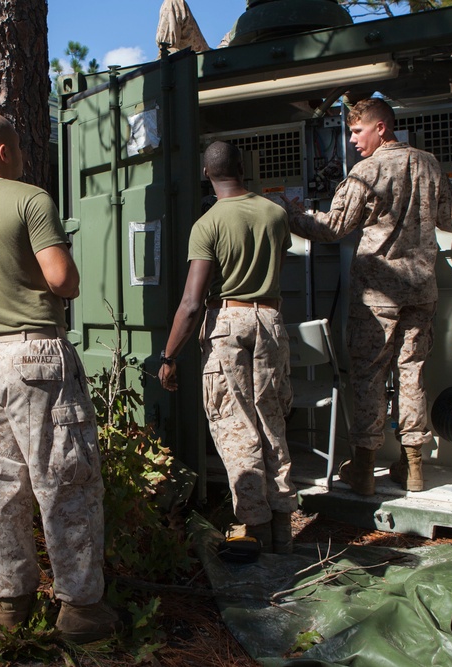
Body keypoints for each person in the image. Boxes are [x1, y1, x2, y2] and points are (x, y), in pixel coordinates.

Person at [0, 113, 119, 643]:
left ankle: (11, 604)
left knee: (3, 484)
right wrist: (67, 273)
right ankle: (80, 610)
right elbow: (63, 280)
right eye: (20, 148)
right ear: (6, 152)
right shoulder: (29, 200)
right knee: (65, 480)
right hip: (37, 353)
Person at [283, 97, 452, 496]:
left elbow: (333, 227)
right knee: (412, 373)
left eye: (357, 131)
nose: (352, 140)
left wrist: (292, 214)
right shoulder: (428, 164)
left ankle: (365, 469)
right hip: (421, 290)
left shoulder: (365, 173)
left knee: (369, 377)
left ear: (381, 128)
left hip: (376, 295)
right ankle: (415, 466)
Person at [158, 140, 297, 554]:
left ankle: (254, 531)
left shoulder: (208, 223)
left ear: (206, 173)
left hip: (228, 322)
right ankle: (284, 531)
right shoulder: (275, 214)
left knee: (236, 428)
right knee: (271, 421)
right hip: (271, 320)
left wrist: (168, 356)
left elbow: (191, 302)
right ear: (244, 167)